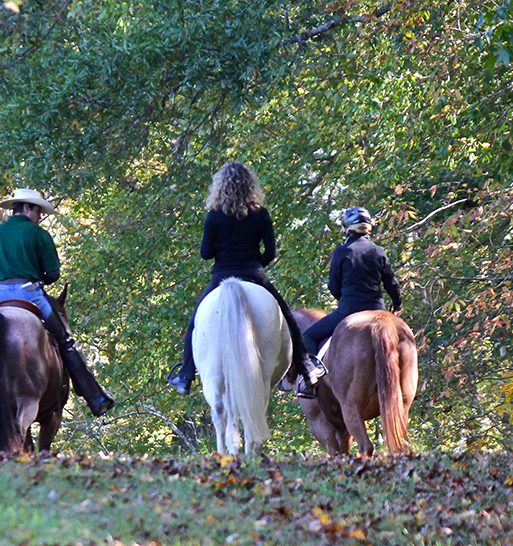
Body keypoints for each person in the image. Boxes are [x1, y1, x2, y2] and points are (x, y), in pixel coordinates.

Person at [0, 188, 115, 423]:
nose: (40, 216)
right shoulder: (39, 234)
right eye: (38, 210)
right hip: (30, 292)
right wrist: (35, 276)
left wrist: (3, 271)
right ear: (26, 207)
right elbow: (53, 273)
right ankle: (95, 397)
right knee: (65, 341)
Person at [166, 161, 327, 398]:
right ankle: (307, 368)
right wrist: (254, 265)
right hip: (254, 275)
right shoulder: (261, 214)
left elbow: (205, 253)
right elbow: (271, 253)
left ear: (220, 188)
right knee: (290, 321)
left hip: (222, 276)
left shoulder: (214, 216)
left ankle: (186, 376)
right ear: (250, 187)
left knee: (194, 323)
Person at [302, 206, 402, 358]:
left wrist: (345, 301)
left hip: (349, 310)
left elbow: (333, 286)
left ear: (347, 228)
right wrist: (397, 304)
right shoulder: (378, 251)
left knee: (308, 336)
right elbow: (392, 284)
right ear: (369, 227)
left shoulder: (341, 252)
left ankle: (313, 371)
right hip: (377, 309)